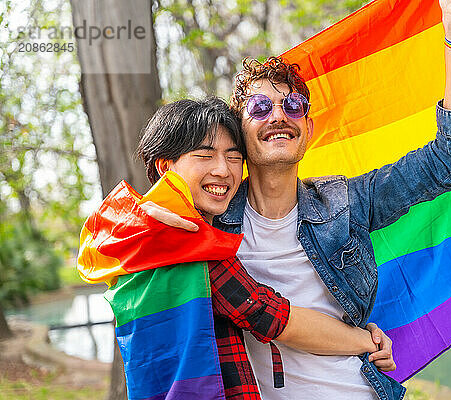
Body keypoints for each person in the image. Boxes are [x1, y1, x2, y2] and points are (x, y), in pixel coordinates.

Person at [149, 0, 451, 398]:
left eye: (293, 106)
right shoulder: (205, 221)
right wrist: (363, 339)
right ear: (240, 131)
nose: (278, 116)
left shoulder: (347, 202)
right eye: (259, 107)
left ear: (307, 128)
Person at [78, 97, 394, 400]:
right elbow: (270, 315)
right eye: (205, 155)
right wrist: (365, 340)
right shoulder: (181, 240)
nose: (224, 170)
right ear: (164, 166)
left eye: (233, 157)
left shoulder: (133, 232)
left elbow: (97, 239)